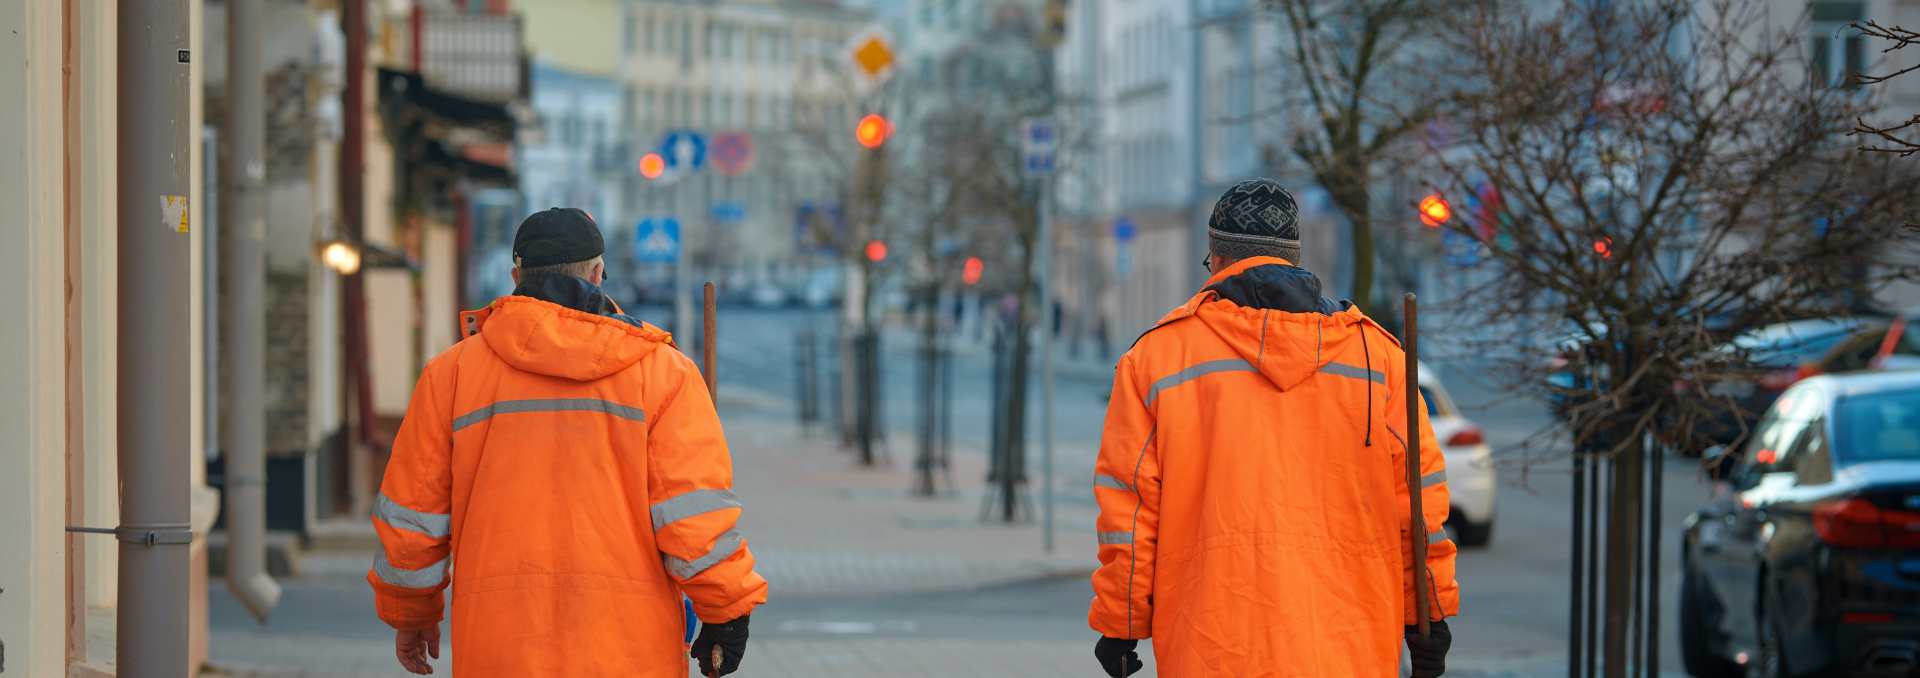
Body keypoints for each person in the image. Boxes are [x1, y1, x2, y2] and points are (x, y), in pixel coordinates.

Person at [367, 208, 767, 676]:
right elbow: (692, 521)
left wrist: (412, 613)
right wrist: (726, 612)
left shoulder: (451, 375)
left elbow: (412, 522)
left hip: (499, 650)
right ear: (597, 274)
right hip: (628, 653)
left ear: (516, 278)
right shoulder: (664, 373)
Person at [1086, 179, 1460, 678]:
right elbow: (1418, 507)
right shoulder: (1380, 358)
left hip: (1211, 648)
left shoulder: (1156, 358)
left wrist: (1122, 623)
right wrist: (1429, 617)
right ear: (1295, 258)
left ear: (1219, 258)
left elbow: (1131, 511)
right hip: (1351, 647)